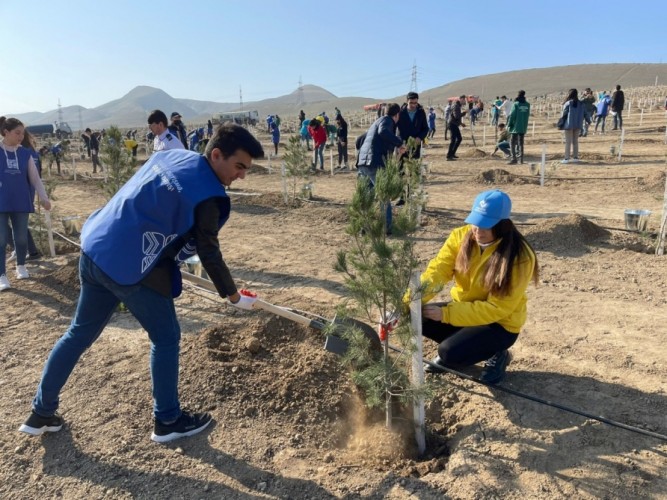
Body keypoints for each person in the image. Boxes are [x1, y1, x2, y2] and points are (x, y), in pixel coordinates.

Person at [18, 123, 265, 442]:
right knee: (166, 337)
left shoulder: (173, 157)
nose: (242, 175)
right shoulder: (210, 196)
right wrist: (233, 296)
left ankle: (41, 412)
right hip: (130, 265)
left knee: (78, 332)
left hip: (96, 246)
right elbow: (208, 250)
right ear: (217, 155)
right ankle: (168, 420)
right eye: (239, 166)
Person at [413, 189, 538, 384]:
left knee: (448, 352)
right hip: (466, 310)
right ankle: (465, 347)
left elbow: (498, 308)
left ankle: (497, 354)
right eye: (475, 223)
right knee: (415, 315)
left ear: (502, 225)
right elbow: (437, 271)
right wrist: (409, 301)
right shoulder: (460, 236)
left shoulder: (519, 256)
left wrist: (446, 314)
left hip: (499, 324)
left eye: (485, 226)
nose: (478, 231)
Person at [0, 117, 52, 291]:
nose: (21, 136)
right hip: (1, 201)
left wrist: (44, 198)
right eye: (17, 133)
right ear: (5, 132)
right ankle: (2, 275)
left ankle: (21, 266)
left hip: (21, 200)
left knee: (21, 238)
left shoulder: (25, 154)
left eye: (22, 133)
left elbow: (35, 178)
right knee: (1, 239)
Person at [357, 103, 407, 235]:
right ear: (396, 115)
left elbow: (359, 140)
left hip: (363, 163)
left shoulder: (376, 122)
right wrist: (399, 143)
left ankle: (364, 228)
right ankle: (387, 229)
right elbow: (383, 132)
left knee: (366, 197)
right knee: (384, 196)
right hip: (374, 163)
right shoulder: (387, 121)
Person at [396, 92, 429, 161]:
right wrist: (399, 143)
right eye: (411, 103)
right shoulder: (400, 113)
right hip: (403, 145)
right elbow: (395, 128)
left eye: (415, 103)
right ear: (407, 101)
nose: (413, 105)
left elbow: (425, 128)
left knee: (414, 169)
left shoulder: (421, 112)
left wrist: (420, 137)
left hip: (415, 146)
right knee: (401, 169)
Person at [559, 88, 587, 164]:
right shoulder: (581, 104)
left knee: (568, 142)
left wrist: (560, 122)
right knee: (575, 141)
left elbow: (564, 114)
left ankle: (566, 158)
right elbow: (585, 113)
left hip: (569, 125)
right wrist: (589, 121)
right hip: (578, 124)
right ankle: (575, 157)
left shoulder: (568, 103)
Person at [506, 90, 530, 165]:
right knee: (521, 143)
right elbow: (527, 115)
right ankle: (521, 159)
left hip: (515, 127)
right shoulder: (527, 104)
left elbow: (512, 115)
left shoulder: (516, 104)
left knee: (512, 142)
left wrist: (509, 124)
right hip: (523, 126)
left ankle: (514, 159)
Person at [446, 95, 467, 161]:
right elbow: (456, 116)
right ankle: (449, 156)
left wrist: (461, 123)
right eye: (464, 100)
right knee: (453, 140)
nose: (464, 101)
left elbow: (456, 117)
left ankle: (452, 153)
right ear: (461, 99)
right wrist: (464, 113)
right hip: (452, 124)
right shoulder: (456, 106)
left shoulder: (458, 106)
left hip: (454, 124)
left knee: (459, 139)